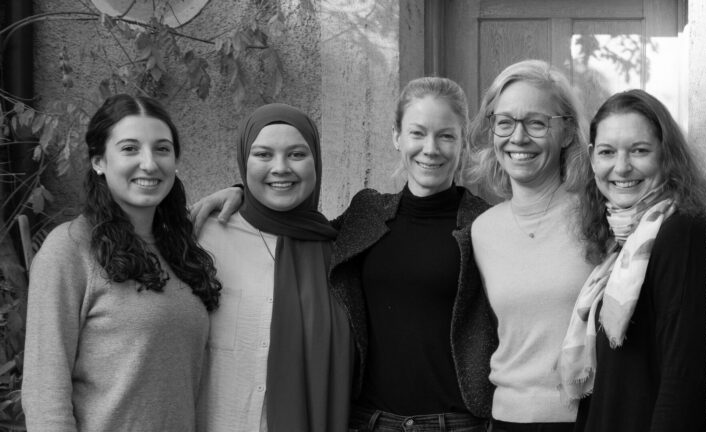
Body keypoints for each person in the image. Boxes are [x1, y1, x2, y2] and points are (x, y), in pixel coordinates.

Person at [190, 77, 496, 431]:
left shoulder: (486, 225)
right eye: (417, 133)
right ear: (396, 136)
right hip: (370, 422)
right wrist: (242, 193)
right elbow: (298, 226)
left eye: (446, 136)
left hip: (456, 424)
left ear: (463, 142)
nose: (431, 149)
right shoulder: (367, 213)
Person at [22, 94, 222, 432]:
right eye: (130, 148)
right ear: (99, 161)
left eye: (162, 149)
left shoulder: (180, 249)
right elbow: (45, 395)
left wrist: (238, 192)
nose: (149, 163)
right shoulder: (69, 249)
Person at [558, 89, 706, 431]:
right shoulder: (622, 244)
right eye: (607, 152)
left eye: (639, 150)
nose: (621, 167)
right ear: (592, 158)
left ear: (666, 155)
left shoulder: (680, 232)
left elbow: (683, 376)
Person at [197, 103, 352, 432]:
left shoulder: (342, 253)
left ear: (316, 161)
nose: (280, 168)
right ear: (244, 160)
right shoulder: (200, 237)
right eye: (263, 155)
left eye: (296, 154)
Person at [467, 59, 596, 432]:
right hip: (507, 419)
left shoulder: (596, 218)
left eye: (536, 123)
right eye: (505, 122)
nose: (518, 138)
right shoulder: (481, 231)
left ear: (567, 132)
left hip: (585, 418)